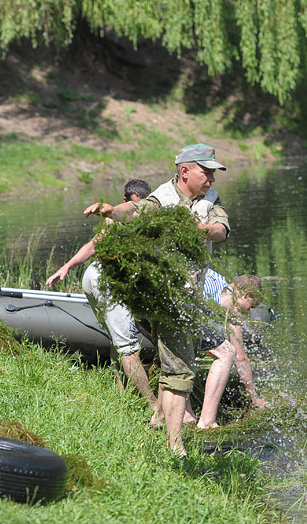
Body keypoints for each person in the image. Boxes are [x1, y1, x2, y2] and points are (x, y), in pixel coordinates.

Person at [84, 143, 229, 454]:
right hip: (164, 298)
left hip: (188, 299)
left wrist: (202, 229)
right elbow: (135, 211)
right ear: (185, 171)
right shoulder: (162, 198)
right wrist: (112, 210)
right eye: (207, 172)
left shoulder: (210, 200)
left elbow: (221, 229)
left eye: (214, 173)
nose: (212, 179)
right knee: (180, 369)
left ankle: (159, 420)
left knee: (176, 361)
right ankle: (175, 447)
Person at [46, 180, 157, 413]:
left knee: (116, 339)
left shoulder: (134, 216)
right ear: (126, 202)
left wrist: (66, 267)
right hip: (104, 281)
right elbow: (92, 246)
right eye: (135, 206)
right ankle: (154, 407)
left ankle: (121, 393)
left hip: (94, 277)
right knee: (128, 347)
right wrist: (66, 266)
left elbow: (93, 246)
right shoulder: (114, 218)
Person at [203, 270, 269, 410]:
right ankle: (207, 419)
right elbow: (240, 358)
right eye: (251, 307)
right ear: (246, 295)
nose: (249, 312)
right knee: (228, 352)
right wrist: (254, 397)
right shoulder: (232, 304)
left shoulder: (217, 278)